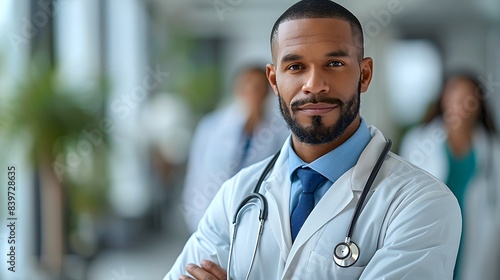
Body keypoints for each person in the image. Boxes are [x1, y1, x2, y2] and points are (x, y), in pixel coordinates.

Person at [165, 1, 461, 279]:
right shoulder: (237, 196)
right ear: (274, 81)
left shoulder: (421, 203)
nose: (314, 85)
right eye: (295, 67)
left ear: (365, 75)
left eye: (334, 63)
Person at [399, 72, 500, 280]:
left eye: (468, 98)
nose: (461, 105)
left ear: (478, 105)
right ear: (443, 100)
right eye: (455, 96)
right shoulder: (418, 142)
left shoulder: (494, 151)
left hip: (477, 238)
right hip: (432, 230)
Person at [181, 65, 289, 232]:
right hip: (212, 215)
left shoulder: (280, 131)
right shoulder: (212, 126)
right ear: (236, 88)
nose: (252, 91)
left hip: (256, 220)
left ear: (268, 90)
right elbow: (197, 176)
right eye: (246, 84)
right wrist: (196, 219)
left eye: (258, 86)